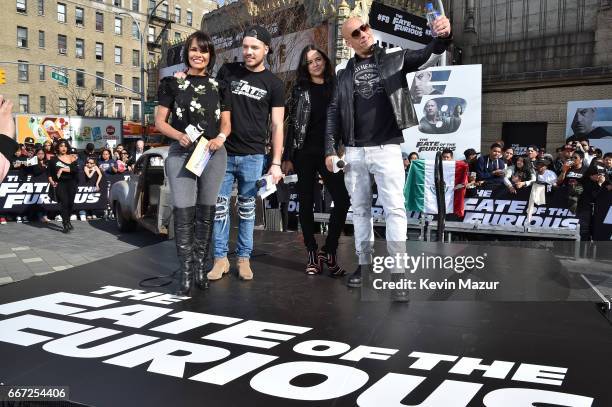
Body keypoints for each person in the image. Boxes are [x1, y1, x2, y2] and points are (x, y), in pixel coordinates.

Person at [325, 15, 452, 288]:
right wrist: (329, 148)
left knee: (395, 209)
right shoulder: (342, 72)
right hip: (355, 150)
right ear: (348, 42)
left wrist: (441, 37)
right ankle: (364, 265)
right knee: (360, 210)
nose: (363, 34)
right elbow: (334, 111)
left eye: (365, 28)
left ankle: (398, 271)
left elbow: (428, 54)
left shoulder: (394, 57)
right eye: (355, 33)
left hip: (387, 147)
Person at [207, 25, 285, 282]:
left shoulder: (274, 84)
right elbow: (211, 103)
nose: (249, 52)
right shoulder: (228, 71)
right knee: (219, 209)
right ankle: (220, 259)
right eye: (245, 47)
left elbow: (277, 125)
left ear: (266, 48)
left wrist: (275, 162)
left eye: (254, 47)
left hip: (253, 156)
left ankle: (243, 258)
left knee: (248, 209)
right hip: (223, 153)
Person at [156, 30, 231, 295]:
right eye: (194, 50)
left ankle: (200, 267)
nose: (198, 55)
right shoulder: (171, 84)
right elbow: (160, 122)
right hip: (181, 151)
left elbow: (226, 122)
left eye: (204, 50)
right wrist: (178, 136)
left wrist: (221, 137)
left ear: (210, 55)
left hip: (212, 152)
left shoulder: (220, 86)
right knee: (184, 210)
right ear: (187, 53)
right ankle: (186, 272)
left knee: (207, 212)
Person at [282, 45, 351, 276]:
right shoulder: (299, 89)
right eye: (310, 61)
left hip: (329, 152)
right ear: (305, 66)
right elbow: (291, 125)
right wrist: (287, 156)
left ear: (325, 60)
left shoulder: (336, 86)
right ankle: (312, 252)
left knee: (342, 200)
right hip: (303, 152)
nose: (315, 64)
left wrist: (342, 148)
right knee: (306, 202)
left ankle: (328, 251)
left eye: (318, 59)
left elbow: (343, 119)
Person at [47, 140, 78, 233]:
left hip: (71, 183)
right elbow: (49, 173)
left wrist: (62, 169)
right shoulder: (53, 160)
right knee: (64, 203)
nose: (63, 148)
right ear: (58, 148)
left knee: (70, 204)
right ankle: (65, 224)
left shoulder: (72, 157)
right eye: (61, 146)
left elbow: (74, 170)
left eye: (65, 146)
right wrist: (52, 182)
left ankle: (68, 220)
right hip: (60, 184)